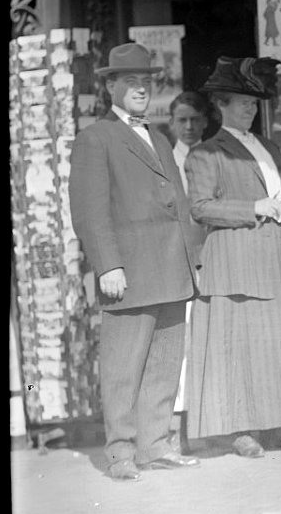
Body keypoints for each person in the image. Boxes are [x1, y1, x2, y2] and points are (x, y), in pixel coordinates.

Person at [184, 56, 281, 458]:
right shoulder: (206, 153)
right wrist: (254, 207)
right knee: (240, 349)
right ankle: (238, 429)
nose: (251, 109)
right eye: (242, 102)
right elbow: (200, 207)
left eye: (254, 103)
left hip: (277, 258)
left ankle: (275, 422)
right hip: (237, 259)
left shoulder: (269, 147)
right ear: (221, 104)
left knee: (277, 346)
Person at [69, 42, 201, 481]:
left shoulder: (160, 136)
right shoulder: (95, 138)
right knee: (124, 367)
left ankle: (155, 445)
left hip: (170, 267)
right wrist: (107, 264)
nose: (142, 88)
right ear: (110, 86)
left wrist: (192, 258)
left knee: (165, 363)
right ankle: (121, 451)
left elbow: (179, 203)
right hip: (128, 270)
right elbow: (89, 209)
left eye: (146, 81)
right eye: (131, 81)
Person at [166, 91, 211, 441]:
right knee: (183, 341)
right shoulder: (166, 163)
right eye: (182, 120)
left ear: (206, 122)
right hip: (182, 262)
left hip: (212, 258)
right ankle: (183, 427)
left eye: (195, 119)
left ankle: (213, 419)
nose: (189, 127)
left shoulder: (213, 158)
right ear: (171, 124)